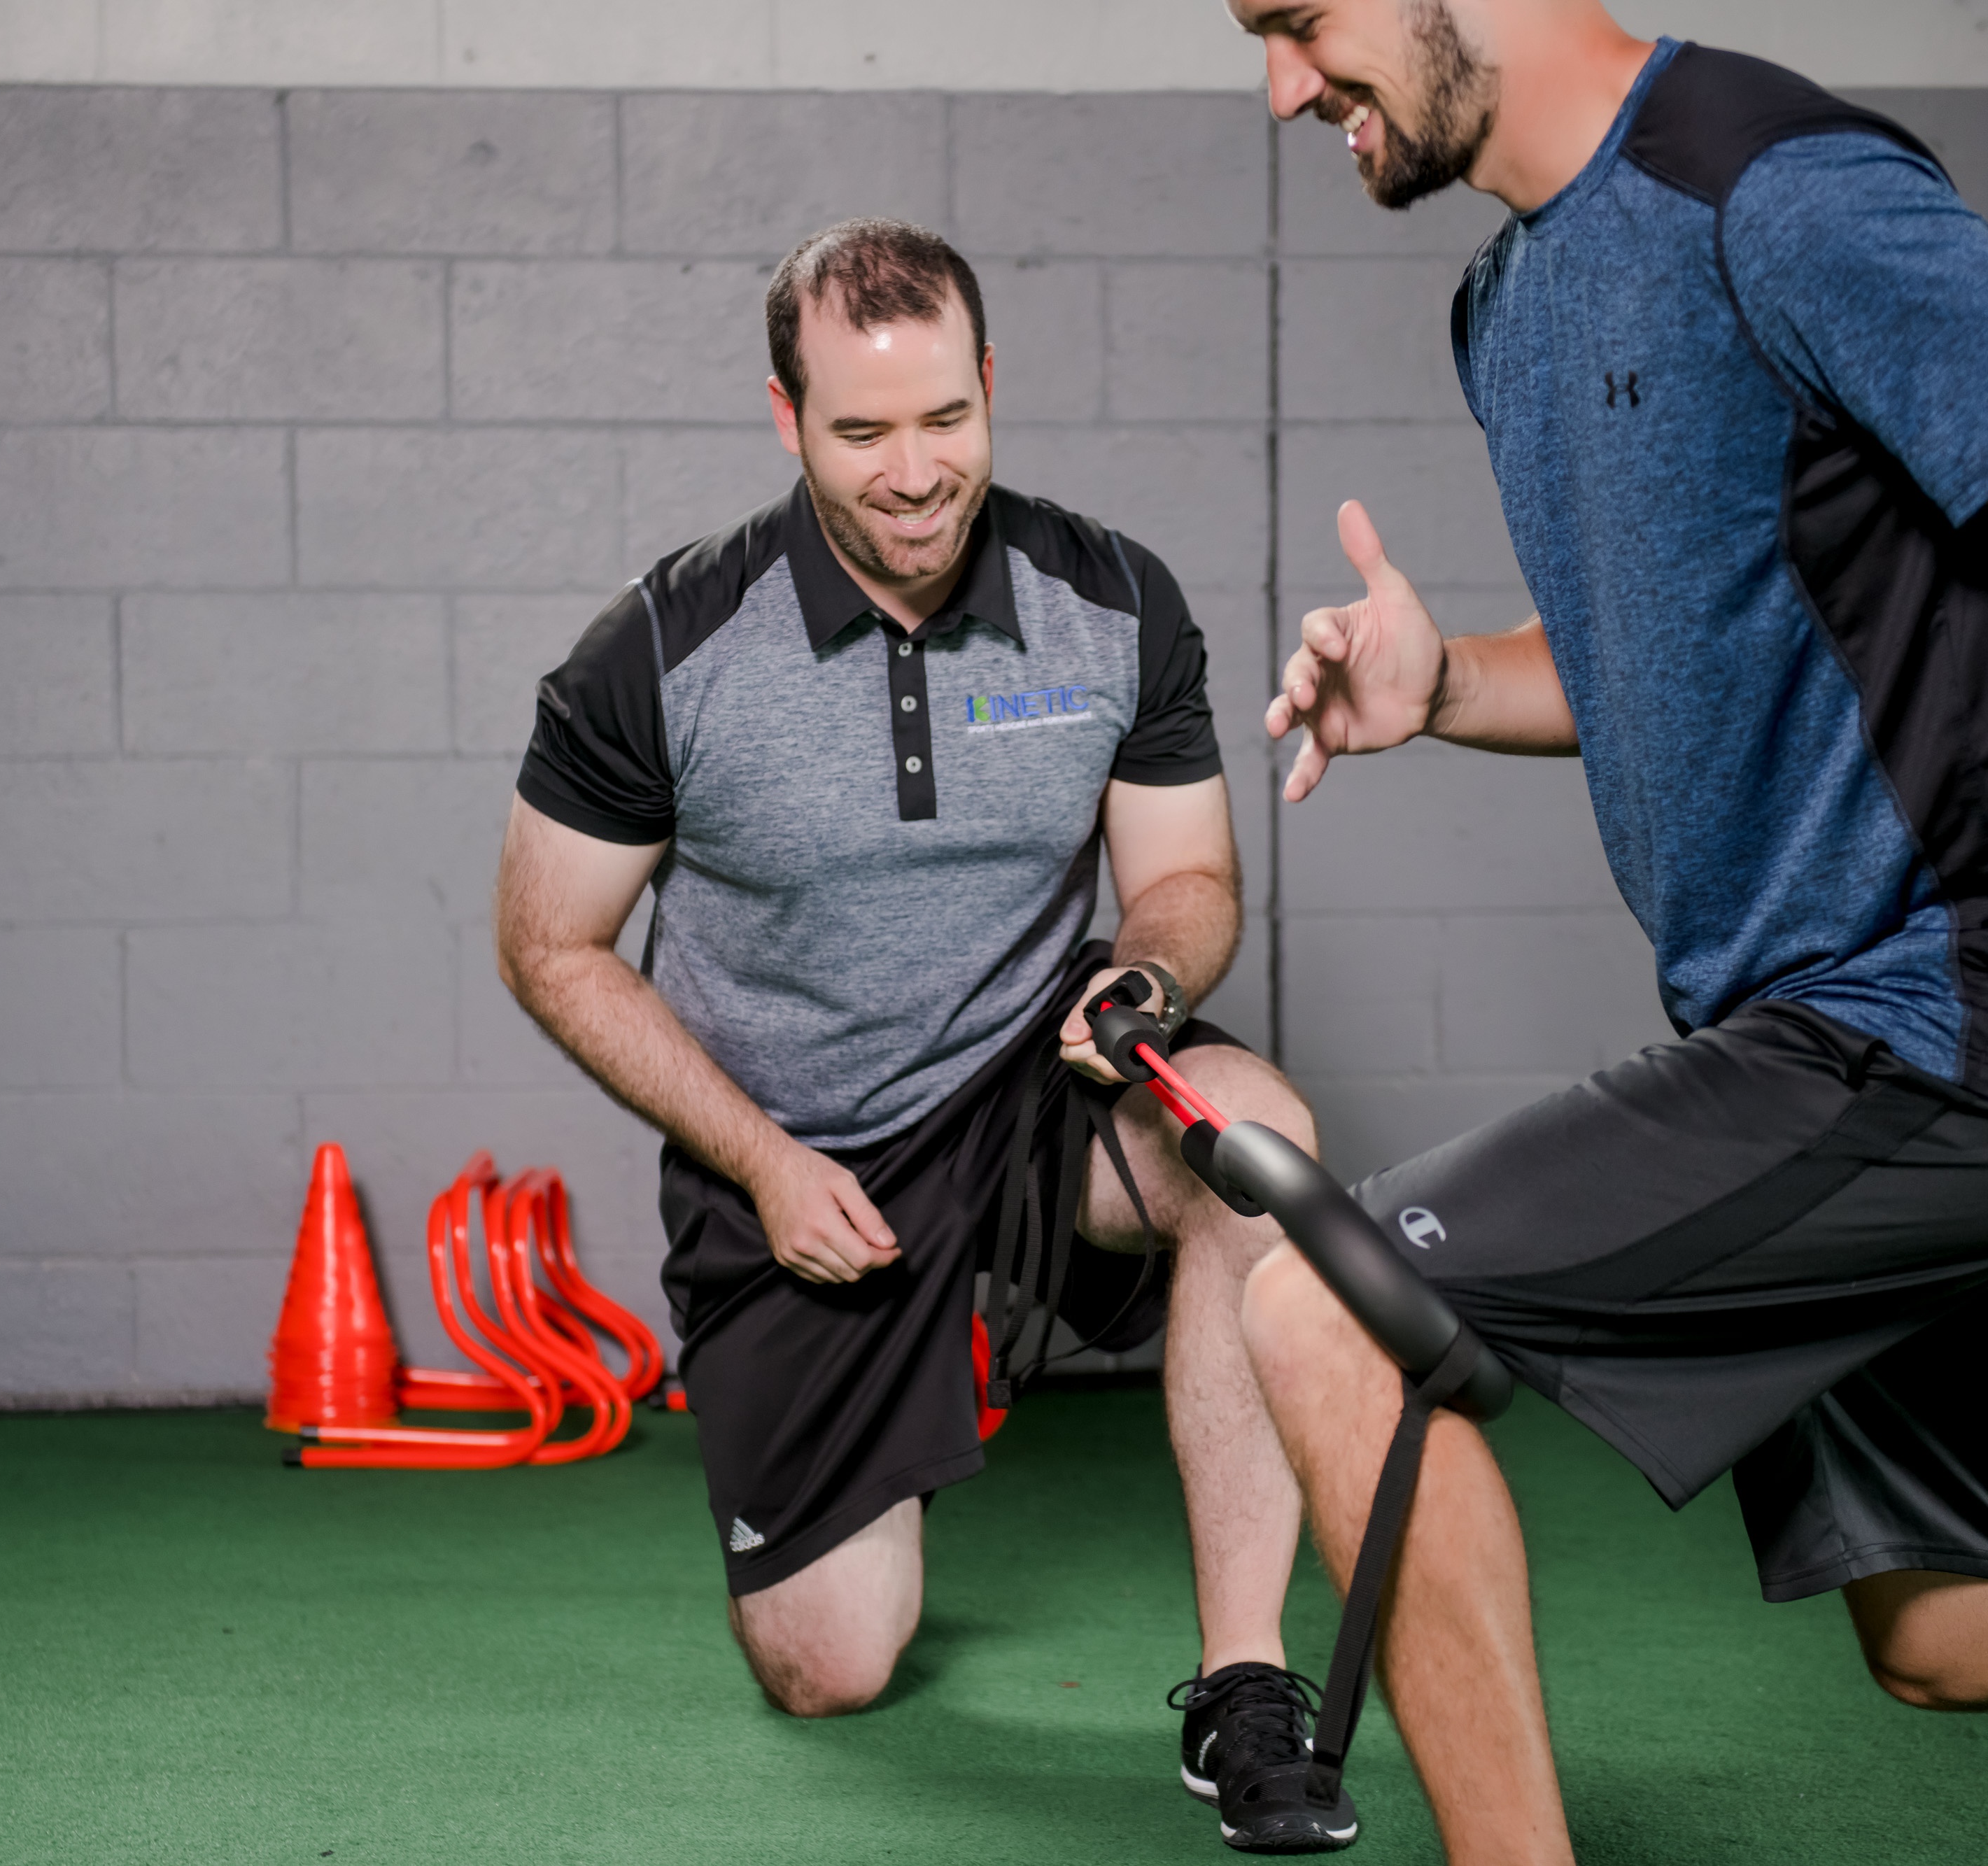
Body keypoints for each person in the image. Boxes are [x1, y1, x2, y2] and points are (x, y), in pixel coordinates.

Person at [1227, 1, 1988, 1858]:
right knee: (1970, 1625)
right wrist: (1443, 682)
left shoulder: (1778, 193)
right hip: (1818, 1045)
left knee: (1326, 1306)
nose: (1281, 84)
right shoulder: (1507, 305)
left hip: (1959, 1007)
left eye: (1297, 16)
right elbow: (1672, 663)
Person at [498, 218, 1365, 1852]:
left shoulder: (1107, 600)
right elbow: (548, 943)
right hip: (792, 1148)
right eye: (861, 431)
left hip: (1030, 1085)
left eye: (944, 420)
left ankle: (1245, 1683)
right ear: (785, 418)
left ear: (988, 386)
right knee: (829, 1663)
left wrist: (1148, 983)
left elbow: (1182, 875)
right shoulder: (667, 648)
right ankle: (896, 1385)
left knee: (1254, 1143)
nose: (913, 472)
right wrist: (756, 1161)